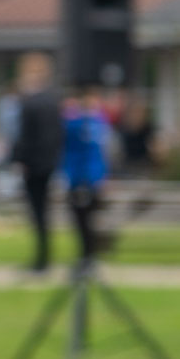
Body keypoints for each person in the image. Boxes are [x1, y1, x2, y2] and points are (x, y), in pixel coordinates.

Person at [9, 53, 65, 272]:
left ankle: (41, 261)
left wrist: (18, 159)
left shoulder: (29, 103)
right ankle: (45, 258)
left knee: (37, 213)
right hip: (49, 163)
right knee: (45, 212)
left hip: (33, 165)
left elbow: (24, 138)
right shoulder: (54, 102)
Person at [60, 88, 111, 263]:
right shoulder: (95, 124)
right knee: (86, 219)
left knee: (85, 219)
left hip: (84, 178)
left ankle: (88, 253)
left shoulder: (77, 125)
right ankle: (88, 253)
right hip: (86, 177)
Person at [117, 96, 160, 175]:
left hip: (145, 165)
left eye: (138, 111)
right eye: (133, 112)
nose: (136, 114)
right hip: (127, 167)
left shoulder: (149, 128)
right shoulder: (123, 128)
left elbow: (154, 148)